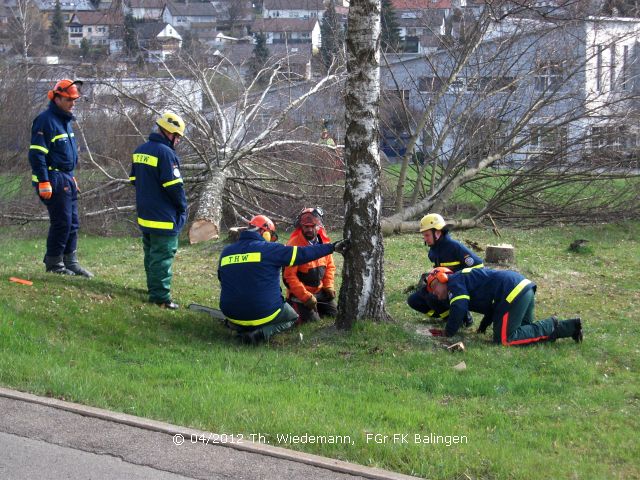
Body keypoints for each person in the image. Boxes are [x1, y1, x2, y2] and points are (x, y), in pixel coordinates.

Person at [218, 214, 348, 344]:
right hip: (264, 311)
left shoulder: (226, 252)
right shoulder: (271, 249)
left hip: (230, 313)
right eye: (271, 234)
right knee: (292, 317)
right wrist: (332, 247)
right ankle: (260, 334)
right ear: (264, 232)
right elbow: (303, 254)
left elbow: (221, 278)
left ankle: (236, 325)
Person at [29, 79, 93, 277]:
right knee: (62, 221)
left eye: (74, 100)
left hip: (66, 177)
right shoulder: (45, 120)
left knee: (73, 222)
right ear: (56, 98)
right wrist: (44, 181)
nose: (72, 103)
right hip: (52, 178)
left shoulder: (65, 121)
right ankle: (54, 263)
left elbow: (65, 155)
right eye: (68, 99)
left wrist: (71, 177)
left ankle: (70, 262)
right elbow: (37, 154)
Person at [426, 266, 583, 345]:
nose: (434, 293)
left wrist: (448, 332)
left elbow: (459, 307)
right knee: (524, 331)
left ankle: (554, 325)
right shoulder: (463, 281)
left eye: (434, 287)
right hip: (522, 288)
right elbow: (489, 305)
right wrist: (483, 326)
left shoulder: (455, 283)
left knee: (505, 339)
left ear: (444, 278)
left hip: (512, 293)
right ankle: (570, 328)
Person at [130, 111, 188, 309]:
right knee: (162, 258)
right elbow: (174, 186)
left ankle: (153, 288)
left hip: (145, 214)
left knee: (151, 254)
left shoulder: (140, 150)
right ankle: (161, 298)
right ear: (169, 132)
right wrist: (182, 207)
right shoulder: (166, 154)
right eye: (177, 136)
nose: (178, 141)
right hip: (164, 217)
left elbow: (133, 180)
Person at [407, 213, 483, 322]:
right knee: (414, 300)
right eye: (423, 235)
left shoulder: (454, 247)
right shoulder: (433, 250)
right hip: (443, 285)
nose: (425, 238)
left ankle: (462, 317)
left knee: (432, 297)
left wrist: (456, 278)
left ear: (437, 233)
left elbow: (478, 266)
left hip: (458, 287)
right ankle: (447, 316)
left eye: (427, 235)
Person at [283, 207, 337, 323]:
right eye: (306, 227)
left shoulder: (324, 242)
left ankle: (318, 308)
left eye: (313, 226)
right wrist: (305, 296)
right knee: (313, 322)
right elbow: (289, 277)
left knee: (335, 314)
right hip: (299, 294)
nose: (309, 230)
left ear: (318, 226)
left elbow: (330, 267)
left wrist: (328, 285)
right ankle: (295, 307)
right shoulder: (293, 246)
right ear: (301, 226)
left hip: (319, 291)